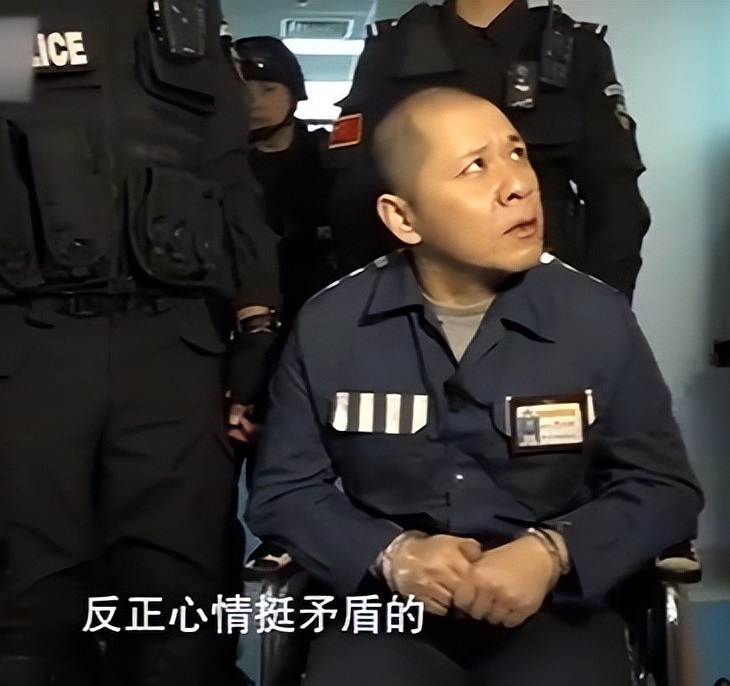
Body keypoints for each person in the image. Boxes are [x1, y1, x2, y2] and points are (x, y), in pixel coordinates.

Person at [246, 88, 702, 686]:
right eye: (475, 167)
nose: (517, 185)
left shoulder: (594, 317)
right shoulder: (332, 325)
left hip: (557, 608)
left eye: (516, 153)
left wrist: (552, 552)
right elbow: (284, 492)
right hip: (386, 612)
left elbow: (664, 487)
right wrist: (391, 554)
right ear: (403, 218)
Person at [0, 1, 280, 684]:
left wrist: (257, 321)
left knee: (181, 628)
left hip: (175, 352)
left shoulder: (181, 12)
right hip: (17, 347)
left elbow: (227, 175)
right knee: (22, 629)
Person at [327, 0, 650, 302]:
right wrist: (372, 309)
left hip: (547, 294)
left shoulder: (576, 50)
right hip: (422, 296)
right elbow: (355, 198)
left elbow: (616, 200)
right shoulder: (394, 48)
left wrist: (599, 311)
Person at [234, 36, 338, 328]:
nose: (254, 103)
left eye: (267, 90)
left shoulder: (330, 158)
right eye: (241, 92)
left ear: (294, 93)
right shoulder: (221, 167)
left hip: (319, 308)